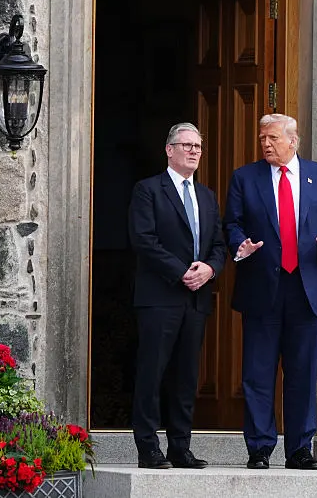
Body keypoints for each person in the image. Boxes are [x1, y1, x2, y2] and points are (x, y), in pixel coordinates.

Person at [225, 113, 317, 471]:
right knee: (258, 374)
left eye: (273, 138)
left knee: (302, 374)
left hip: (306, 289)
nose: (266, 143)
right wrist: (239, 245)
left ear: (293, 141)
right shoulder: (244, 178)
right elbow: (232, 223)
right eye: (262, 137)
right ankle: (260, 448)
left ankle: (299, 450)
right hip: (262, 288)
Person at [128, 122, 227, 470]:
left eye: (198, 146)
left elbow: (218, 244)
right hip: (160, 297)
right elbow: (144, 240)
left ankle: (180, 448)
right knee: (152, 373)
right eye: (186, 145)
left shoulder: (207, 196)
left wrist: (210, 270)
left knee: (187, 376)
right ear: (169, 150)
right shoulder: (148, 190)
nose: (194, 151)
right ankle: (147, 448)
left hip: (196, 299)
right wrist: (180, 270)